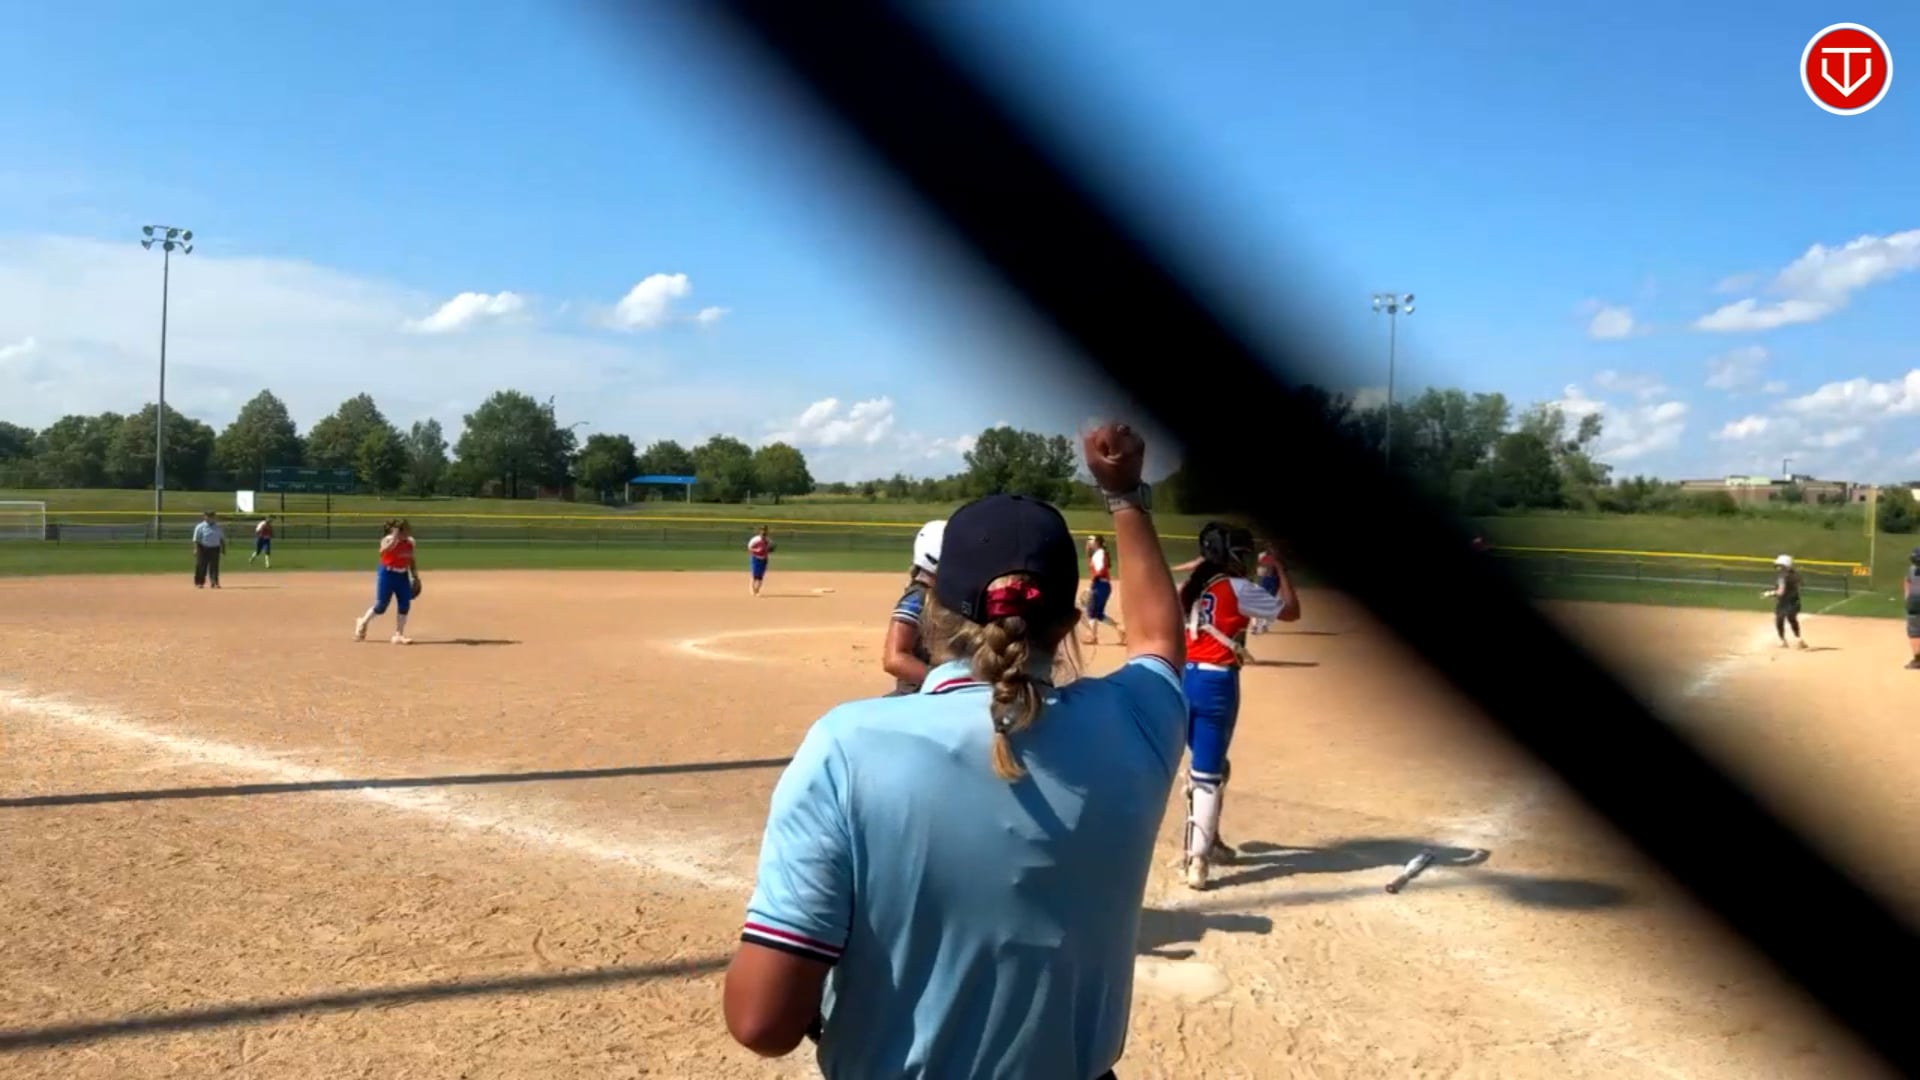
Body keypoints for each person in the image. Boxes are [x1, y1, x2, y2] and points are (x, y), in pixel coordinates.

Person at [723, 422, 1185, 1080]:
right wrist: (1125, 495)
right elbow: (1159, 641)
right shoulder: (1136, 724)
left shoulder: (847, 744)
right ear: (1069, 619)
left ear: (932, 607)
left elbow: (761, 1023)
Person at [1179, 523, 1299, 890]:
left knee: (1210, 766)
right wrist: (1281, 569)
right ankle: (1197, 860)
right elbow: (1291, 611)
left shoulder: (1191, 587)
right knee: (1207, 774)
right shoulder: (1237, 587)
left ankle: (1207, 840)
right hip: (1216, 682)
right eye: (1242, 554)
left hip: (1184, 678)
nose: (1246, 561)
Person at [882, 519, 945, 696]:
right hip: (919, 695)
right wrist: (942, 681)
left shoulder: (948, 595)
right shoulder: (918, 598)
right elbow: (894, 659)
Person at [354, 519, 421, 645]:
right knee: (381, 606)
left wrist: (415, 576)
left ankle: (398, 635)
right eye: (404, 530)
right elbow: (382, 551)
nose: (407, 533)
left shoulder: (410, 542)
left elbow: (411, 559)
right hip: (387, 574)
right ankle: (362, 622)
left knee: (404, 603)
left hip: (402, 575)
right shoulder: (388, 540)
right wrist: (394, 539)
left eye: (408, 530)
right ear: (398, 531)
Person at [1081, 534, 1127, 645]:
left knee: (1091, 612)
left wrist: (1093, 583)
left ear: (1097, 542)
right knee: (1099, 614)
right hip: (1102, 585)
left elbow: (1100, 570)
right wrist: (1087, 552)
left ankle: (1093, 637)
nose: (1089, 542)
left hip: (1099, 585)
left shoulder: (1099, 554)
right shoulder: (1098, 553)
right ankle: (1120, 628)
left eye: (1091, 540)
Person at [1762, 554, 1807, 650]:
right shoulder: (1795, 575)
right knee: (1792, 619)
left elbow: (1781, 592)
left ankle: (1783, 640)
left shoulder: (1782, 577)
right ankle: (1798, 639)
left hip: (1783, 602)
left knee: (1780, 619)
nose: (1777, 567)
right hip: (1794, 601)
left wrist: (1769, 593)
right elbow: (1800, 586)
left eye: (1779, 565)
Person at [191, 510, 227, 589]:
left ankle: (214, 582)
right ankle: (199, 582)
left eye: (211, 516)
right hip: (202, 548)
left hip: (215, 548)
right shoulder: (200, 526)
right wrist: (195, 549)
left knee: (214, 566)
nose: (209, 518)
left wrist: (223, 549)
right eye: (207, 516)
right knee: (200, 565)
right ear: (204, 517)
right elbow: (196, 539)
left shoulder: (217, 527)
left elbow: (222, 539)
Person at [1902, 548, 1920, 670]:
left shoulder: (1912, 569)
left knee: (1914, 632)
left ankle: (1918, 660)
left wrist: (1907, 596)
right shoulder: (1912, 569)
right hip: (1914, 602)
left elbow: (1906, 581)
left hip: (1914, 602)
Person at [748, 526, 774, 597]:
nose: (763, 532)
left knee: (760, 576)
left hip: (764, 559)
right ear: (760, 532)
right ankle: (752, 590)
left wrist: (770, 549)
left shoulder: (768, 541)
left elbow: (771, 549)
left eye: (765, 531)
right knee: (754, 575)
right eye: (762, 531)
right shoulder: (755, 540)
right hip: (755, 559)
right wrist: (756, 550)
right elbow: (749, 548)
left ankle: (757, 591)